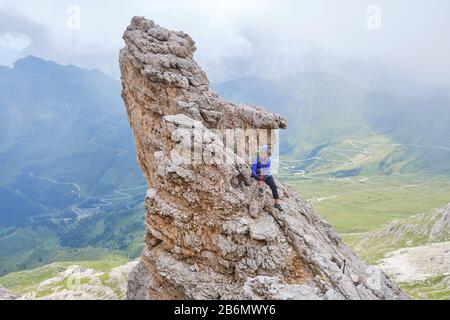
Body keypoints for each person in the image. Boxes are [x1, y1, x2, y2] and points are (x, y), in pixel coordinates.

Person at [251, 145, 284, 211]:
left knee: (273, 186)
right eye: (262, 152)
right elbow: (253, 169)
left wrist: (262, 176)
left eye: (265, 153)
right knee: (260, 176)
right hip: (257, 173)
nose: (264, 154)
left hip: (266, 174)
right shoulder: (256, 158)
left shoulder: (268, 160)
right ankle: (260, 188)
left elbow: (267, 169)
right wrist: (256, 176)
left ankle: (276, 203)